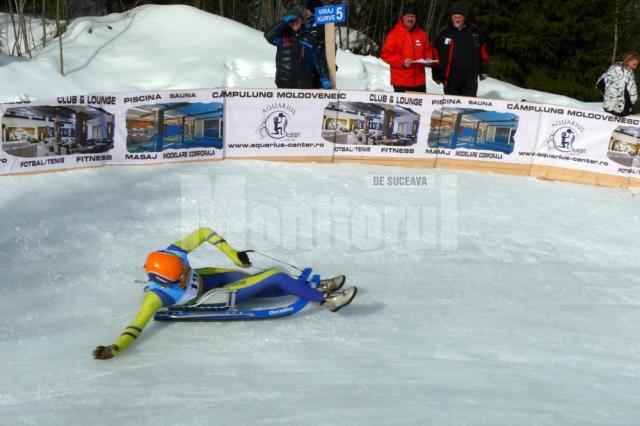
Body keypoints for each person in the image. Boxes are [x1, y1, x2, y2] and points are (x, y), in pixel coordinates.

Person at [92, 227, 357, 360]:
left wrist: (234, 255)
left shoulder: (173, 254)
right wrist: (115, 349)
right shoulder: (155, 297)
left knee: (259, 280)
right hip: (215, 295)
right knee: (274, 277)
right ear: (164, 280)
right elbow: (135, 327)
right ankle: (326, 301)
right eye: (181, 274)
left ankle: (313, 288)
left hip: (212, 276)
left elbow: (205, 232)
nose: (185, 271)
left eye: (184, 268)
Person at [264, 10, 331, 89]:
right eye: (292, 21)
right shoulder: (282, 37)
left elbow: (319, 60)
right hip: (284, 85)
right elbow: (268, 36)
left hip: (304, 85)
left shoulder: (309, 38)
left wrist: (325, 78)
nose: (295, 23)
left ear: (301, 21)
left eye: (297, 20)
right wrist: (283, 22)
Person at [431, 5, 489, 97]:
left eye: (460, 17)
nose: (457, 20)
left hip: (470, 78)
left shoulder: (474, 32)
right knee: (451, 106)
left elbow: (483, 52)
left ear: (464, 18)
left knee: (468, 106)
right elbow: (435, 54)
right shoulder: (444, 32)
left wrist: (484, 69)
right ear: (451, 17)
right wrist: (435, 74)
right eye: (455, 17)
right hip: (450, 77)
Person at [380, 4, 435, 93]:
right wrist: (402, 61)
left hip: (419, 81)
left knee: (420, 107)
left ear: (416, 18)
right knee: (403, 107)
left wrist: (428, 59)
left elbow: (427, 50)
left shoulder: (421, 34)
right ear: (403, 17)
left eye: (413, 16)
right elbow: (385, 55)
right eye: (408, 16)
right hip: (401, 81)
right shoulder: (394, 34)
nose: (410, 19)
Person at [598, 52, 639, 117]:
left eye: (636, 65)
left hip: (607, 107)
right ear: (628, 61)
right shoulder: (629, 74)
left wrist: (609, 94)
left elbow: (599, 84)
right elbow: (633, 94)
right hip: (621, 110)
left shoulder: (612, 69)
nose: (635, 67)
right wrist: (632, 103)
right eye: (634, 64)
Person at [303, 0, 332, 89]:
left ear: (311, 10)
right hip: (309, 67)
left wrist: (324, 77)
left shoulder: (318, 23)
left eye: (307, 9)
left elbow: (318, 48)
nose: (305, 11)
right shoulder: (309, 22)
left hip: (316, 68)